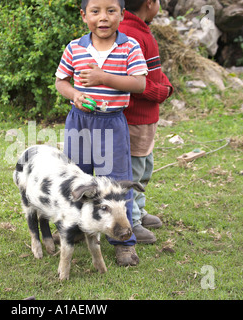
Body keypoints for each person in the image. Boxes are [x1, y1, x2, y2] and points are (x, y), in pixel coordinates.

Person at [55, 0, 148, 266]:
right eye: (95, 11)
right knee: (76, 179)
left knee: (116, 183)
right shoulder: (75, 47)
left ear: (122, 14)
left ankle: (123, 242)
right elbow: (60, 81)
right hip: (79, 121)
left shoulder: (130, 47)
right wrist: (74, 95)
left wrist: (102, 78)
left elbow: (140, 83)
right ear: (84, 15)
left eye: (111, 11)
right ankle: (71, 228)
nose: (103, 18)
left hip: (112, 124)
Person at [118, 0, 174, 243]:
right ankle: (132, 221)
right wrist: (159, 92)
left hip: (147, 117)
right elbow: (131, 81)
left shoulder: (142, 31)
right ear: (149, 3)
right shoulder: (129, 34)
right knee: (134, 170)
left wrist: (165, 83)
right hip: (134, 116)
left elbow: (152, 70)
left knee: (145, 167)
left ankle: (139, 209)